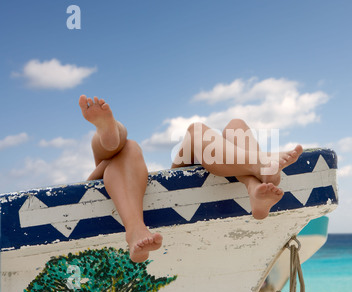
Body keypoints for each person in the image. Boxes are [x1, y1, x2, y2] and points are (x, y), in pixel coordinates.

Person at [79, 95, 302, 263]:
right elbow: (103, 169)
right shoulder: (118, 163)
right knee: (129, 148)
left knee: (235, 126)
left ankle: (255, 185)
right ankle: (258, 168)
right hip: (124, 172)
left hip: (210, 164)